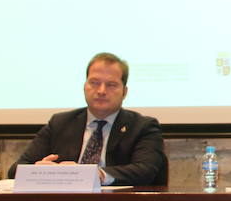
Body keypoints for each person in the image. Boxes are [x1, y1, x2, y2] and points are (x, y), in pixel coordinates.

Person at [9, 51, 167, 185]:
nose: (101, 91)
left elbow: (146, 170)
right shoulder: (60, 123)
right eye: (94, 83)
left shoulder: (143, 127)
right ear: (84, 86)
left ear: (124, 92)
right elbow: (16, 169)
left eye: (111, 85)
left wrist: (94, 174)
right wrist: (37, 171)